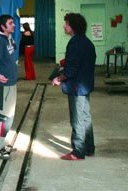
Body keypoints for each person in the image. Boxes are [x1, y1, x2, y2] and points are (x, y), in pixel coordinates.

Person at [51, 13, 96, 160]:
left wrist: (59, 78)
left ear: (73, 27)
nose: (64, 26)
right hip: (85, 86)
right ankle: (89, 148)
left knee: (77, 119)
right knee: (85, 117)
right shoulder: (87, 42)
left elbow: (71, 70)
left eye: (67, 24)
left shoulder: (74, 43)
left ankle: (78, 151)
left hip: (76, 87)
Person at [0, 14, 18, 160]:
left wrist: (11, 38)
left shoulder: (7, 38)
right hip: (3, 85)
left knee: (9, 116)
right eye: (10, 23)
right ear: (3, 27)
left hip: (11, 83)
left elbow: (13, 50)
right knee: (2, 116)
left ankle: (2, 143)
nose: (13, 25)